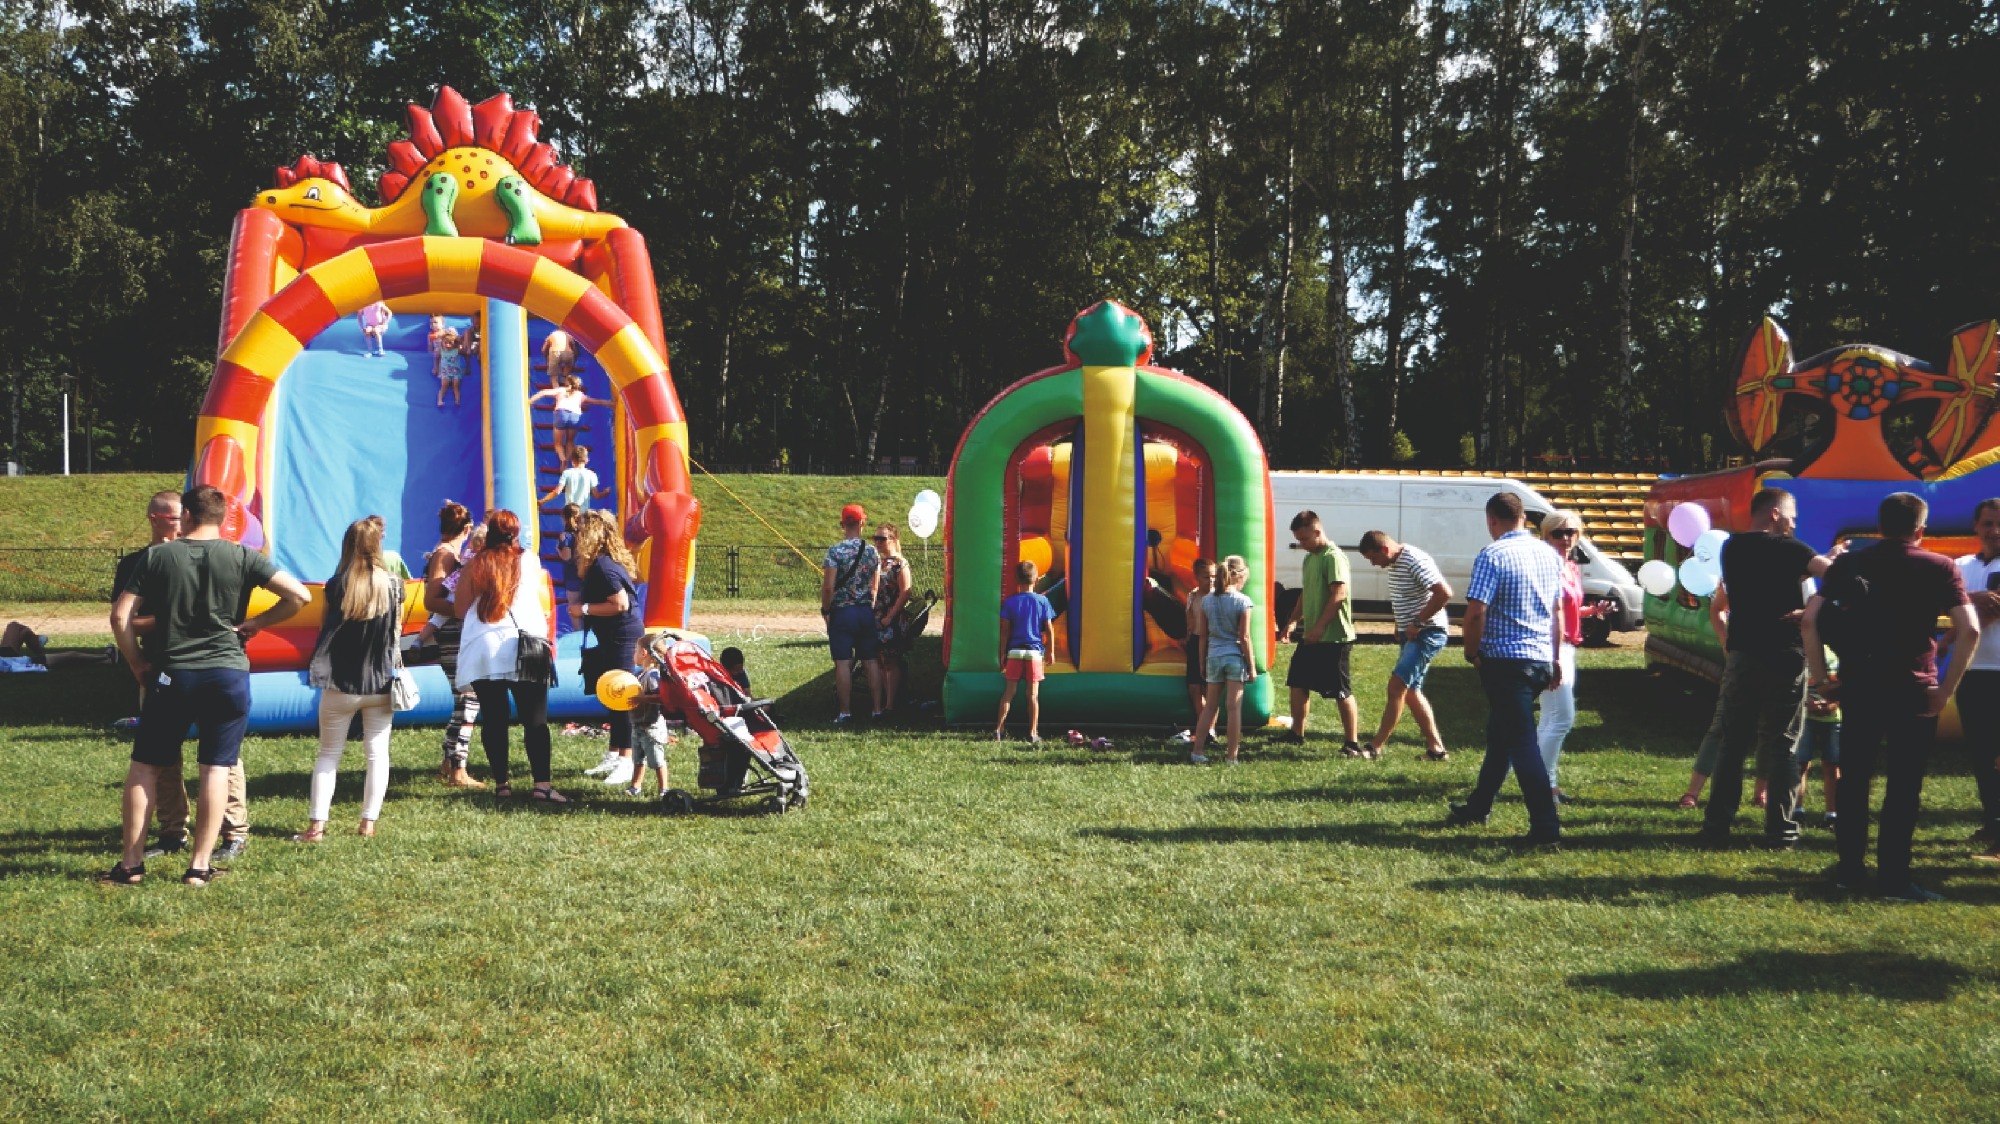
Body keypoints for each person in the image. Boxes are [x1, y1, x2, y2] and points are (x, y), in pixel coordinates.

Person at [105, 485, 310, 885]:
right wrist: (256, 624)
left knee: (146, 767)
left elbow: (119, 618)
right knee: (217, 768)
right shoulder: (244, 555)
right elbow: (299, 596)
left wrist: (137, 664)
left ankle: (131, 865)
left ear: (186, 515)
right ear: (223, 519)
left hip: (173, 673)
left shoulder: (158, 556)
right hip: (228, 676)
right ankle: (199, 867)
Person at [1806, 492, 1978, 902]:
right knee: (1904, 785)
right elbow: (1969, 630)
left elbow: (1810, 620)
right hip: (1912, 687)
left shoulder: (1850, 563)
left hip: (1860, 684)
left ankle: (1849, 871)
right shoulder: (1941, 566)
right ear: (1921, 530)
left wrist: (1820, 678)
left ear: (1879, 527)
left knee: (1854, 781)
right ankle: (1894, 880)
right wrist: (1944, 690)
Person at [1701, 487, 1839, 849]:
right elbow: (1834, 576)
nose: (1795, 523)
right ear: (1775, 513)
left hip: (1743, 652)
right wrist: (1833, 564)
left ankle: (1716, 826)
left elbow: (1763, 578)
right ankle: (1781, 830)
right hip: (1784, 656)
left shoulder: (1732, 547)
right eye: (1792, 515)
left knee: (1732, 743)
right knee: (1782, 746)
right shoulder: (1791, 549)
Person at [1445, 492, 1565, 845]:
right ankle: (1479, 806)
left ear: (1492, 520)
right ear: (1524, 518)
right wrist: (1555, 658)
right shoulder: (1549, 553)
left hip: (1506, 662)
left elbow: (1476, 611)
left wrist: (1471, 652)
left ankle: (1546, 827)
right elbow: (1556, 611)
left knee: (1521, 743)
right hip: (1540, 656)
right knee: (1501, 735)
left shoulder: (1492, 554)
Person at [296, 517, 404, 842]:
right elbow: (396, 633)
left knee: (329, 754)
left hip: (340, 683)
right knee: (377, 754)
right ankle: (367, 824)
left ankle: (317, 827)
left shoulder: (336, 584)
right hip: (381, 682)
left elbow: (322, 630)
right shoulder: (394, 584)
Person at [453, 510, 565, 805]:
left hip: (484, 646)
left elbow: (459, 608)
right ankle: (542, 785)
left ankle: (502, 784)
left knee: (494, 718)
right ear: (516, 533)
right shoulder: (529, 560)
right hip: (524, 644)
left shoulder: (475, 563)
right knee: (535, 719)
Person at [1358, 531, 1451, 761]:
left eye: (1374, 559)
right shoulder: (1396, 562)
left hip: (1428, 632)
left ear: (1385, 550)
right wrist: (1400, 625)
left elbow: (1443, 593)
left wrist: (1418, 622)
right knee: (1410, 691)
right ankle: (1436, 750)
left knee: (1396, 686)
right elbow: (1407, 596)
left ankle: (1375, 747)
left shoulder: (1414, 560)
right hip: (1412, 633)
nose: (1375, 565)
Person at [1535, 511, 1609, 801]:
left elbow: (1566, 609)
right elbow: (1548, 611)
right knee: (1562, 718)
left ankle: (1544, 782)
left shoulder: (1571, 567)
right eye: (1559, 533)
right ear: (1546, 535)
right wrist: (1552, 656)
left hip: (1566, 646)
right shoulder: (1545, 566)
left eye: (1572, 533)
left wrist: (1593, 611)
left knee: (1550, 718)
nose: (1566, 538)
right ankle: (1542, 784)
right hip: (1550, 647)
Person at [575, 510, 645, 788]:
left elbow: (619, 604)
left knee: (621, 696)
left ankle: (626, 760)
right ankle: (616, 753)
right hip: (614, 635)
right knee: (612, 694)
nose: (577, 536)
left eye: (581, 531)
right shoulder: (604, 563)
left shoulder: (604, 567)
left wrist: (582, 609)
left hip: (622, 636)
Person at [1282, 511, 1360, 755]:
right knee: (1297, 683)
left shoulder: (1333, 557)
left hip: (1334, 637)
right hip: (1311, 637)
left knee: (1340, 691)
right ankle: (1296, 733)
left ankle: (1351, 743)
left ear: (1317, 532)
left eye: (1305, 539)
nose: (1302, 545)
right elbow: (1306, 593)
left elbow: (1339, 594)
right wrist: (1293, 621)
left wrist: (1319, 627)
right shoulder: (1310, 559)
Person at [1953, 497, 2000, 864]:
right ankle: (1991, 821)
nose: (1994, 530)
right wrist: (1975, 600)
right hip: (1972, 672)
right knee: (1982, 753)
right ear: (1976, 527)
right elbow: (1941, 604)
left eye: (1999, 524)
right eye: (1988, 523)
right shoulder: (1960, 566)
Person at [422, 505, 483, 788]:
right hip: (451, 635)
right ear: (468, 529)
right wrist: (464, 610)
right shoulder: (445, 555)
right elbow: (431, 599)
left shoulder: (448, 553)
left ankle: (449, 763)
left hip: (454, 633)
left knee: (464, 700)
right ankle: (458, 767)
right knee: (468, 699)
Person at [1190, 555, 1258, 765]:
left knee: (1210, 707)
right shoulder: (1243, 601)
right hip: (1234, 658)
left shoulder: (1207, 600)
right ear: (1239, 576)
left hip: (1213, 657)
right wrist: (1252, 667)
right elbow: (1244, 637)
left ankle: (1197, 751)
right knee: (1233, 708)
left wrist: (1201, 662)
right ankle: (1231, 756)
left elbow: (1203, 635)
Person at [821, 503, 883, 725]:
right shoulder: (872, 551)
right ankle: (877, 709)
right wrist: (869, 604)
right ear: (862, 523)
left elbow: (828, 587)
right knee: (871, 661)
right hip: (865, 611)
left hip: (842, 612)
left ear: (842, 525)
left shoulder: (835, 552)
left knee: (843, 662)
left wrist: (826, 609)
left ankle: (845, 711)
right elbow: (875, 586)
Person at [994, 558, 1056, 743]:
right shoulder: (1042, 601)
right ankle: (1033, 732)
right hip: (1034, 653)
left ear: (1016, 580)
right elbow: (1049, 628)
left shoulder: (1011, 602)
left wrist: (1002, 652)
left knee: (1008, 693)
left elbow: (1005, 629)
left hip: (1015, 652)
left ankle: (998, 728)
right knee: (1032, 695)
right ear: (1036, 580)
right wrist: (1051, 651)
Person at [620, 635, 673, 799]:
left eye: (635, 650)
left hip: (651, 727)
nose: (633, 654)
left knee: (657, 759)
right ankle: (635, 785)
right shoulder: (640, 675)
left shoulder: (653, 676)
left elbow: (661, 698)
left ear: (644, 652)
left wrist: (643, 699)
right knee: (638, 758)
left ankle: (664, 788)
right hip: (637, 725)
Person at [1795, 652, 1842, 830]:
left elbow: (1842, 682)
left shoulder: (1835, 655)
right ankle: (1797, 810)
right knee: (1801, 764)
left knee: (1832, 766)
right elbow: (1796, 682)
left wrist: (1833, 703)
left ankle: (1832, 814)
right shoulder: (1802, 652)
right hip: (1806, 717)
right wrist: (1807, 702)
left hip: (1832, 719)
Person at [872, 523, 914, 714]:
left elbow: (905, 592)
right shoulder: (879, 563)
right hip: (878, 618)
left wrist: (890, 616)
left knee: (890, 661)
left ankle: (890, 704)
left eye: (882, 538)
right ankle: (885, 701)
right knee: (880, 660)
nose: (877, 542)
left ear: (894, 540)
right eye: (876, 538)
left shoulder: (900, 564)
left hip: (892, 619)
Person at [1175, 558, 1218, 745]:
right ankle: (1204, 726)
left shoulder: (1218, 596)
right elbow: (1190, 618)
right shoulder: (1193, 596)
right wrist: (1187, 637)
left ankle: (1210, 729)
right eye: (1206, 577)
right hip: (1195, 641)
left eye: (1214, 576)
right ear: (1197, 577)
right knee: (1194, 687)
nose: (1211, 581)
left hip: (1212, 643)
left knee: (1211, 689)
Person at [529, 375, 608, 466]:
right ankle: (572, 463)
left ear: (567, 383)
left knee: (558, 443)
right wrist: (611, 404)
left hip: (561, 413)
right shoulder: (580, 394)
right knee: (570, 441)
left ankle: (563, 460)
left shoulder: (561, 390)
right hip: (575, 416)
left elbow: (543, 392)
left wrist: (530, 401)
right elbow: (597, 401)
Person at [539, 445, 610, 512]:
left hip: (570, 511)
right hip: (583, 511)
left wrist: (543, 500)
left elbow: (557, 491)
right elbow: (596, 495)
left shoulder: (567, 473)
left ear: (572, 460)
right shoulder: (591, 474)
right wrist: (606, 492)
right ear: (586, 460)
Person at [555, 504, 585, 632]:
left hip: (572, 575)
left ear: (564, 518)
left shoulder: (566, 535)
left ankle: (578, 633)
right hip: (584, 573)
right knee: (584, 605)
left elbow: (567, 556)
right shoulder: (583, 533)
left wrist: (558, 550)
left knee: (573, 607)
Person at [434, 326, 465, 407]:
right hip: (445, 372)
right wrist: (435, 368)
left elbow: (461, 341)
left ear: (454, 343)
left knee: (456, 386)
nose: (448, 345)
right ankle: (440, 401)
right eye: (446, 342)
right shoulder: (441, 351)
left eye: (450, 343)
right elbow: (436, 358)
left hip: (455, 372)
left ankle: (457, 401)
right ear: (442, 343)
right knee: (444, 386)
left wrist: (456, 338)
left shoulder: (457, 350)